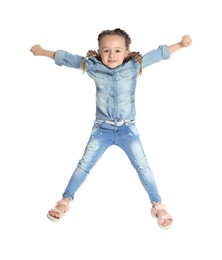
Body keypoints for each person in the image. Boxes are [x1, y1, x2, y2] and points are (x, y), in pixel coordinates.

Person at [30, 28, 192, 229]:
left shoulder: (134, 66)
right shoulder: (93, 66)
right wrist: (43, 51)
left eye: (117, 51)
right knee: (84, 165)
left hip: (128, 130)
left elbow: (158, 54)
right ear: (99, 52)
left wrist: (180, 44)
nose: (112, 55)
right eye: (106, 51)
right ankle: (65, 201)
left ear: (126, 52)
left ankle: (157, 205)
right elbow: (67, 59)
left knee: (143, 166)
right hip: (102, 130)